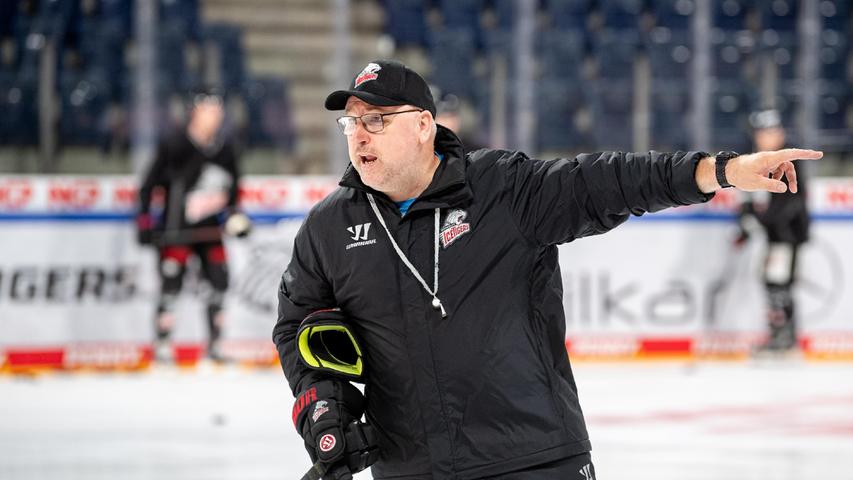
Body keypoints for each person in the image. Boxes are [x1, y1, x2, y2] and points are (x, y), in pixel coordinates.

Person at [272, 60, 821, 479]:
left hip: (535, 460)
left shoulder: (503, 190)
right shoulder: (327, 228)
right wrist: (321, 405)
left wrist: (719, 169)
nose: (358, 134)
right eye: (351, 122)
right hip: (414, 467)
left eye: (376, 119)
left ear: (422, 126)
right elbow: (297, 325)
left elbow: (612, 180)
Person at [137, 89, 251, 363]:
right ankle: (163, 344)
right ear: (194, 113)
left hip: (210, 231)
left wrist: (236, 217)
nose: (214, 115)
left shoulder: (225, 150)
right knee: (171, 284)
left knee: (219, 283)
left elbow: (234, 191)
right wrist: (144, 222)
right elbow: (148, 186)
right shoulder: (174, 145)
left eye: (217, 110)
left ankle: (215, 345)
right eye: (208, 109)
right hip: (177, 230)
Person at [736, 108, 810, 354]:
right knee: (773, 282)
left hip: (786, 236)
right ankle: (781, 336)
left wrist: (761, 220)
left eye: (769, 132)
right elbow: (749, 195)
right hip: (775, 235)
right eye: (760, 133)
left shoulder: (789, 159)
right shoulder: (759, 159)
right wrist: (746, 219)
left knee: (778, 283)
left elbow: (792, 200)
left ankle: (784, 338)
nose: (763, 137)